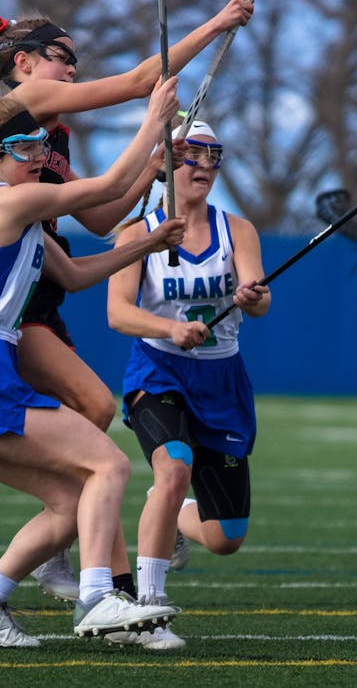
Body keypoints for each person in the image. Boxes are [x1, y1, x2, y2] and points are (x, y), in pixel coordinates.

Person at [0, 0, 257, 601]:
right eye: (61, 55)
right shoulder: (28, 106)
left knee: (94, 428)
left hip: (36, 291)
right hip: (8, 312)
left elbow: (105, 215)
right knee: (100, 427)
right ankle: (103, 579)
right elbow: (139, 81)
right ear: (23, 62)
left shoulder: (41, 141)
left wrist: (155, 172)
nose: (71, 70)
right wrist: (220, 21)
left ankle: (71, 541)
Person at [0, 82, 187, 648]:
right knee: (110, 466)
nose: (41, 157)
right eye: (28, 149)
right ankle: (98, 598)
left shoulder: (25, 222)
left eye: (43, 146)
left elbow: (74, 278)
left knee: (71, 501)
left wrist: (148, 242)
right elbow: (110, 186)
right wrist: (154, 121)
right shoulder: (9, 201)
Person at [104, 119, 270, 651]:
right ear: (169, 163)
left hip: (223, 379)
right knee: (174, 466)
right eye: (191, 154)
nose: (203, 166)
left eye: (213, 155)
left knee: (226, 538)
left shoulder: (238, 230)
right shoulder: (137, 234)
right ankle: (148, 611)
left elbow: (261, 300)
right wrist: (170, 328)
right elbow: (117, 313)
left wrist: (251, 295)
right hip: (159, 371)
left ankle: (170, 511)